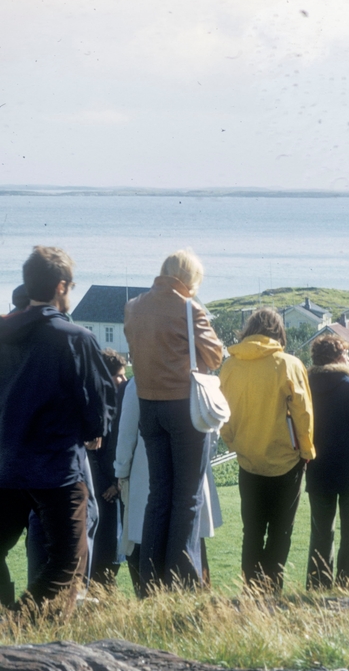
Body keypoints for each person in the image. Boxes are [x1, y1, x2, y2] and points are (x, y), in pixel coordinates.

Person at [0, 246, 116, 611]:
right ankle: (18, 623)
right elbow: (97, 402)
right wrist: (95, 428)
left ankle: (6, 614)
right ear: (61, 287)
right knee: (70, 559)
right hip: (55, 466)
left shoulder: (4, 333)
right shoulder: (75, 338)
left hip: (6, 463)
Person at [124, 249, 224, 592]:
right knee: (188, 497)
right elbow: (214, 355)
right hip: (184, 409)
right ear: (190, 280)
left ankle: (150, 580)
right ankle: (182, 581)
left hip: (149, 407)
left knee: (158, 493)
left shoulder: (133, 307)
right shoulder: (189, 308)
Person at [219, 307, 315, 593]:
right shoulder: (289, 364)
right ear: (278, 332)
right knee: (280, 531)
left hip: (248, 459)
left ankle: (250, 590)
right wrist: (307, 451)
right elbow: (304, 414)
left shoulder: (230, 365)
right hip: (286, 461)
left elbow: (221, 412)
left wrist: (234, 443)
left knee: (252, 531)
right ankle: (271, 590)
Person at [114, 375, 223, 591]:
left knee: (149, 540)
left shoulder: (140, 382)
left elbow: (126, 435)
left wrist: (121, 472)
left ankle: (152, 596)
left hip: (147, 476)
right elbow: (213, 429)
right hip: (190, 473)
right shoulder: (199, 379)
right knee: (190, 539)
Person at [304, 333, 349, 590]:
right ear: (337, 357)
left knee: (321, 531)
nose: (348, 357)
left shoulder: (306, 386)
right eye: (346, 353)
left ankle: (317, 584)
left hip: (318, 468)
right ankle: (347, 584)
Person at [87, 349, 129, 588]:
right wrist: (109, 485)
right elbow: (92, 453)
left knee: (114, 551)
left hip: (113, 489)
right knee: (104, 552)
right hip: (101, 491)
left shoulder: (117, 404)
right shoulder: (96, 408)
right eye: (118, 376)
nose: (123, 380)